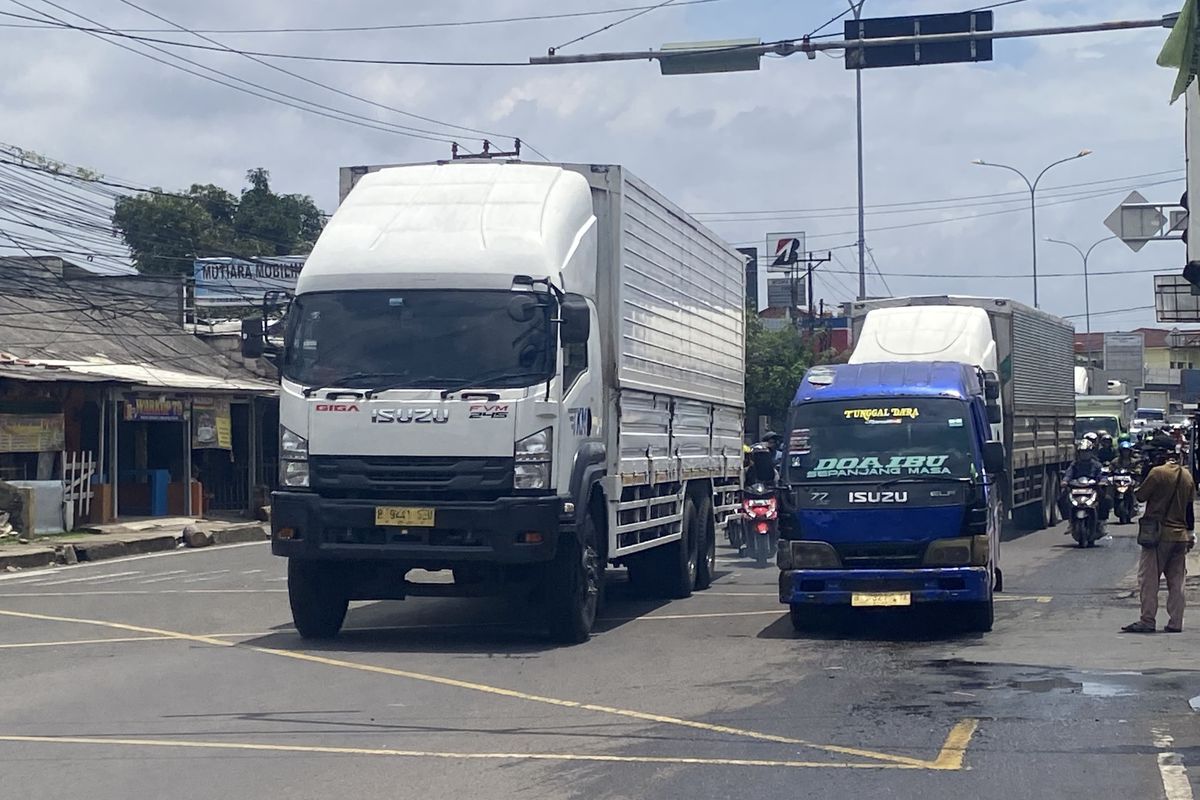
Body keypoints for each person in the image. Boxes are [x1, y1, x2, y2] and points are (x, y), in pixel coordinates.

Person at [1122, 444, 1196, 633]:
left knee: (1149, 580)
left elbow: (1140, 496)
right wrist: (1190, 534)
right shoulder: (1187, 476)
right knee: (1177, 582)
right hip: (1180, 536)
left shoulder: (1157, 473)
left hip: (1158, 536)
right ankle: (1176, 622)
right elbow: (1189, 511)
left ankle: (1147, 620)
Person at [1059, 439, 1110, 522]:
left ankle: (1101, 520)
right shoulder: (1075, 464)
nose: (1084, 454)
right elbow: (1069, 473)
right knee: (1062, 498)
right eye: (1082, 452)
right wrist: (1065, 481)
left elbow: (1102, 474)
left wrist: (1102, 481)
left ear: (1091, 452)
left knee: (1105, 499)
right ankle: (1068, 519)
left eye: (1086, 452)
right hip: (1077, 488)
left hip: (1093, 487)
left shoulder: (1096, 464)